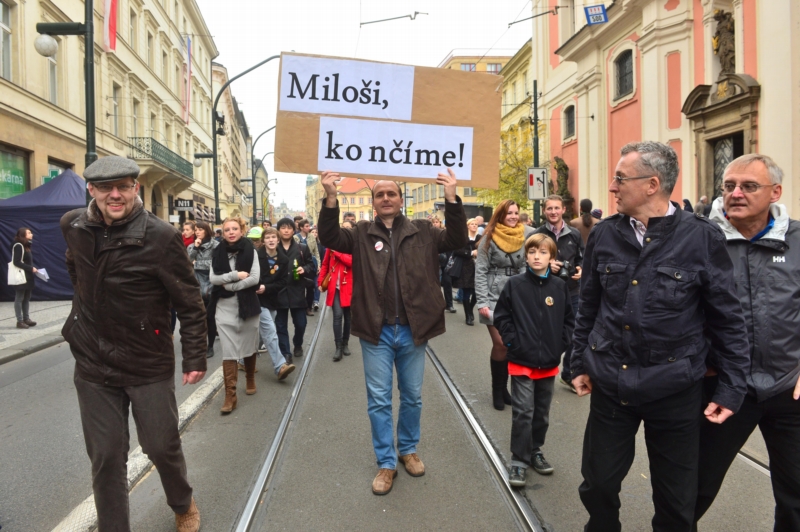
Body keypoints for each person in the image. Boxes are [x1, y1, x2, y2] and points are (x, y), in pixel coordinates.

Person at [570, 141, 750, 532]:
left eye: (620, 178)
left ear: (652, 184)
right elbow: (588, 306)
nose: (613, 187)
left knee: (676, 500)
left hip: (674, 389)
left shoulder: (701, 237)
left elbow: (727, 320)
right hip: (611, 382)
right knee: (598, 485)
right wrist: (578, 362)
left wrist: (731, 389)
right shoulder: (603, 235)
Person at [60, 156, 206, 532]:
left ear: (135, 189)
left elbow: (189, 302)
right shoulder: (73, 225)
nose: (115, 194)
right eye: (106, 188)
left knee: (161, 446)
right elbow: (76, 268)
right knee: (106, 457)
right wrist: (80, 316)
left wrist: (194, 356)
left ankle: (182, 502)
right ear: (90, 190)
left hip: (146, 361)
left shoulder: (161, 236)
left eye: (123, 186)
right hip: (93, 363)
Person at [318, 169, 468, 496]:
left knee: (412, 396)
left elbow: (458, 240)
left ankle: (408, 449)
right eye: (380, 195)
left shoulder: (424, 230)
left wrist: (452, 198)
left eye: (391, 194)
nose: (386, 198)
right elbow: (328, 237)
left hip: (414, 329)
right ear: (373, 203)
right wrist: (331, 197)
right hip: (377, 331)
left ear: (401, 199)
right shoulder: (359, 233)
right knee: (379, 399)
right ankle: (386, 463)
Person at [694, 154, 800, 530]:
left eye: (748, 186)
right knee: (693, 490)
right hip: (723, 388)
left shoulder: (798, 240)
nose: (735, 194)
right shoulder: (701, 241)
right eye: (729, 186)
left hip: (789, 390)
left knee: (796, 497)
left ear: (775, 192)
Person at [494, 233, 574, 485]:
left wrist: (561, 344)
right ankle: (519, 459)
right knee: (523, 412)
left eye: (542, 252)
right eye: (531, 252)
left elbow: (570, 321)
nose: (536, 257)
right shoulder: (515, 285)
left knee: (541, 413)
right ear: (525, 256)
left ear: (552, 257)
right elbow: (502, 316)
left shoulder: (559, 287)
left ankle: (535, 450)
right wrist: (512, 341)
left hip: (549, 362)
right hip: (521, 361)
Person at [475, 199, 536, 410]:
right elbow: (480, 271)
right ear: (500, 215)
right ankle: (496, 390)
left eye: (515, 212)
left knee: (510, 344)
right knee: (500, 343)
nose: (512, 216)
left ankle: (504, 389)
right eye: (509, 213)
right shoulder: (488, 239)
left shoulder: (524, 235)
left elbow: (525, 266)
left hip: (515, 294)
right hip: (492, 296)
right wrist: (482, 301)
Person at [210, 216, 261, 412]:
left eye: (234, 229)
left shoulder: (251, 250)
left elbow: (255, 278)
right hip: (224, 306)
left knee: (249, 344)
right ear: (223, 233)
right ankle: (230, 395)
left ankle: (249, 377)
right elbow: (213, 278)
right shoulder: (217, 251)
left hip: (247, 304)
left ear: (241, 230)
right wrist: (235, 276)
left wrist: (231, 285)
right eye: (227, 230)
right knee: (229, 351)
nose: (231, 232)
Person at [535, 195, 584, 393]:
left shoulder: (574, 233)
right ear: (544, 211)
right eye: (549, 209)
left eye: (556, 208)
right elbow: (529, 261)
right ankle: (542, 369)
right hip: (546, 290)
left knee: (575, 332)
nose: (553, 212)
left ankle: (568, 373)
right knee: (548, 331)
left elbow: (582, 257)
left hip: (572, 290)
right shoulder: (538, 234)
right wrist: (547, 266)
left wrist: (581, 269)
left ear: (563, 210)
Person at [255, 227, 296, 380]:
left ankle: (241, 359)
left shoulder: (283, 259)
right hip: (257, 299)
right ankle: (280, 366)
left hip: (272, 298)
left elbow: (284, 282)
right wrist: (257, 286)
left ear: (278, 240)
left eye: (273, 237)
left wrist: (267, 287)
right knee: (271, 331)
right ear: (263, 241)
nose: (271, 240)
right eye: (268, 237)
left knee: (261, 332)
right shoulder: (256, 256)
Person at [275, 218, 316, 363]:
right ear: (278, 230)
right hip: (278, 293)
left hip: (297, 292)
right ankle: (285, 352)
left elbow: (312, 265)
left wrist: (303, 269)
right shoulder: (273, 248)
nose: (286, 231)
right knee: (280, 326)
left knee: (301, 323)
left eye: (289, 228)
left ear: (294, 230)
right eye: (283, 228)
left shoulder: (301, 248)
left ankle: (297, 343)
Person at [318, 221, 355, 362]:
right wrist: (320, 282)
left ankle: (345, 343)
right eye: (343, 228)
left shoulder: (354, 245)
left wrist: (338, 253)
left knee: (348, 317)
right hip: (335, 286)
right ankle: (338, 346)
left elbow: (352, 262)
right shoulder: (331, 246)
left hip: (350, 286)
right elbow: (325, 264)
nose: (345, 230)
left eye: (348, 228)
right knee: (337, 315)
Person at [188, 221, 219, 358]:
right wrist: (195, 249)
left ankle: (210, 346)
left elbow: (216, 265)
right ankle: (199, 345)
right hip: (196, 287)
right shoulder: (191, 246)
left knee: (210, 318)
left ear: (207, 230)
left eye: (200, 229)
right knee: (198, 319)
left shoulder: (216, 246)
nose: (197, 232)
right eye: (196, 230)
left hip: (212, 285)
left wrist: (197, 264)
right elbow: (186, 262)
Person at [452, 218, 481, 325]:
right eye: (472, 224)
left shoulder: (480, 238)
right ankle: (468, 316)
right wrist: (470, 253)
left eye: (476, 224)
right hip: (465, 268)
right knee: (466, 292)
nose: (474, 226)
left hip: (477, 267)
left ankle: (470, 309)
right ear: (468, 226)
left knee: (476, 293)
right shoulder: (463, 238)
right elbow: (457, 250)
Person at [11, 227, 38, 329]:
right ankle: (20, 321)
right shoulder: (18, 245)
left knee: (26, 298)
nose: (32, 234)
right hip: (21, 276)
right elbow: (16, 262)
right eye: (29, 233)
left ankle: (26, 318)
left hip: (28, 276)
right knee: (19, 298)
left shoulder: (26, 245)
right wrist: (31, 268)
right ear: (23, 235)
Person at [294, 219, 320, 315]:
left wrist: (318, 265)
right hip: (299, 265)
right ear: (301, 227)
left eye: (309, 226)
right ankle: (300, 306)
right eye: (306, 226)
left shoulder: (312, 237)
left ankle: (308, 307)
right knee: (299, 287)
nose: (309, 228)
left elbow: (316, 252)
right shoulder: (295, 238)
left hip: (310, 264)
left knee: (311, 286)